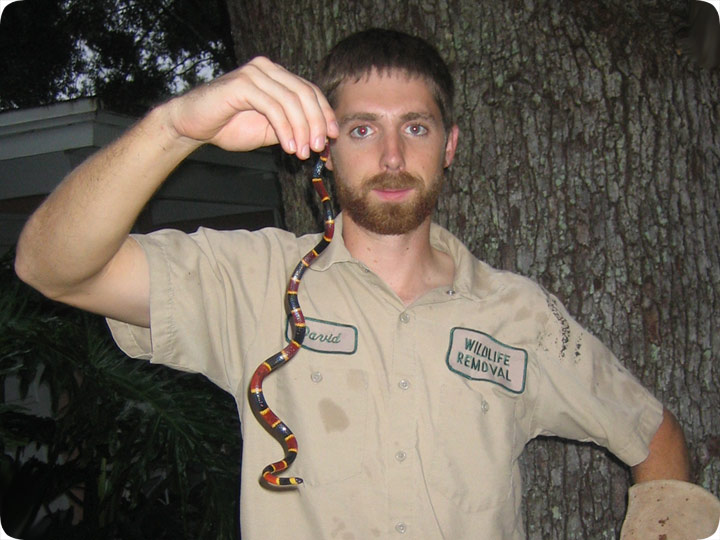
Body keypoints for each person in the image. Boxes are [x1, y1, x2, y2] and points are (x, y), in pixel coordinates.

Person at [14, 28, 712, 539]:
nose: (389, 155)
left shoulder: (519, 314)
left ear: (449, 147)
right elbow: (50, 267)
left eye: (414, 127)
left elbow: (654, 437)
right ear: (323, 144)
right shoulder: (251, 281)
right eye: (360, 130)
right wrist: (175, 127)